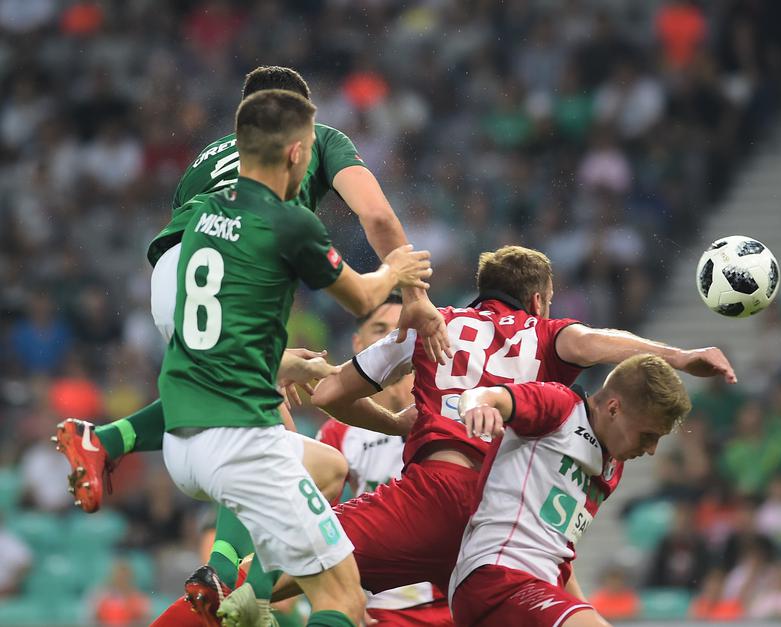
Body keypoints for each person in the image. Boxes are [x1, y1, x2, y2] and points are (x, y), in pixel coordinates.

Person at [54, 63, 448, 515]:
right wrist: (414, 297)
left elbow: (186, 231)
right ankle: (235, 557)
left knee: (218, 400)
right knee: (264, 451)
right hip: (234, 269)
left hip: (173, 275)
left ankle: (107, 441)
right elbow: (376, 215)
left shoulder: (204, 159)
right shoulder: (320, 140)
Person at [261, 245, 735, 620]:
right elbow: (597, 343)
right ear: (538, 300)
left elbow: (329, 394)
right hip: (498, 523)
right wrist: (679, 356)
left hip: (436, 495)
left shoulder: (435, 325)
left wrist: (396, 423)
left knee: (295, 561)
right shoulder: (547, 334)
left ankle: (225, 598)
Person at [158, 89, 430, 627]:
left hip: (180, 309)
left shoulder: (206, 195)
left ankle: (232, 575)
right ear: (297, 149)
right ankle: (237, 579)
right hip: (234, 419)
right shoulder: (291, 214)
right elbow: (365, 272)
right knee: (342, 594)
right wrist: (399, 277)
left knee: (314, 464)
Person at [447, 355, 691, 626]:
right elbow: (485, 395)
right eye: (648, 435)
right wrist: (478, 406)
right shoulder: (560, 407)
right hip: (497, 577)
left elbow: (560, 550)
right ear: (613, 409)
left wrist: (587, 611)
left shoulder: (612, 467)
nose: (652, 449)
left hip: (534, 591)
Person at [317, 294, 452, 626]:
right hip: (382, 612)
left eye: (402, 330)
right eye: (381, 330)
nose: (394, 338)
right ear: (358, 343)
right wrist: (345, 596)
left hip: (455, 605)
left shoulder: (449, 408)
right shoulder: (338, 431)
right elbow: (316, 523)